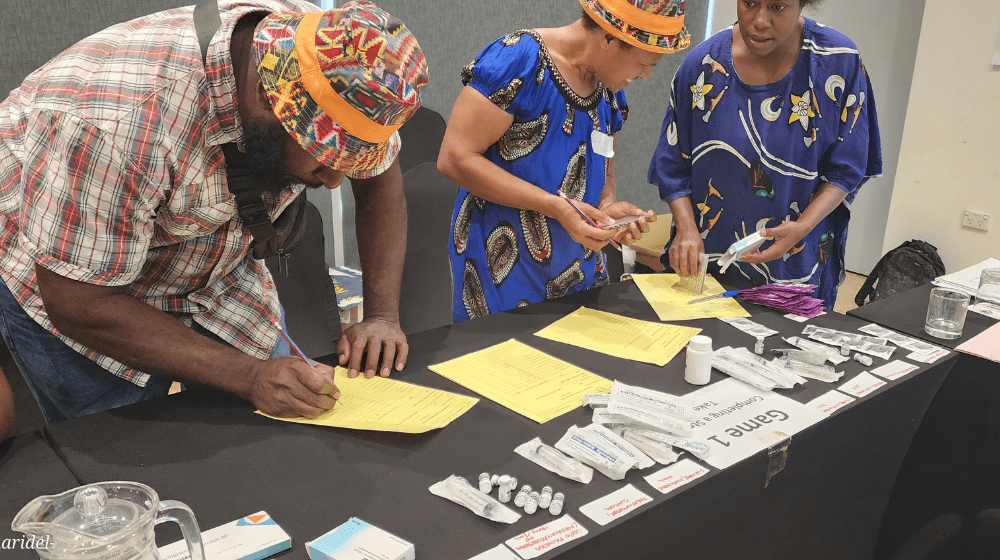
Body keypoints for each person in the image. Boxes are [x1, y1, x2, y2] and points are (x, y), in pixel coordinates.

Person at [0, 0, 428, 422]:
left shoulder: (335, 55)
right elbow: (78, 302)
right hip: (74, 274)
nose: (335, 181)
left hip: (210, 261)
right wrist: (249, 376)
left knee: (287, 418)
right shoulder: (111, 125)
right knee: (134, 455)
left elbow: (377, 184)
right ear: (268, 98)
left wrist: (382, 316)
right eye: (324, 155)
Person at [438, 0, 690, 321]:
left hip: (577, 273)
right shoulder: (521, 62)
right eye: (644, 63)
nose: (645, 76)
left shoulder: (610, 91)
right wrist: (555, 206)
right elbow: (454, 158)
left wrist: (606, 210)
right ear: (609, 36)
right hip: (502, 270)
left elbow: (605, 173)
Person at [649, 0, 881, 309]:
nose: (760, 20)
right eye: (749, 3)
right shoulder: (701, 66)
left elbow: (848, 166)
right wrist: (687, 229)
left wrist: (803, 226)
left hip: (795, 265)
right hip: (707, 262)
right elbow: (673, 164)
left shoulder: (838, 61)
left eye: (777, 7)